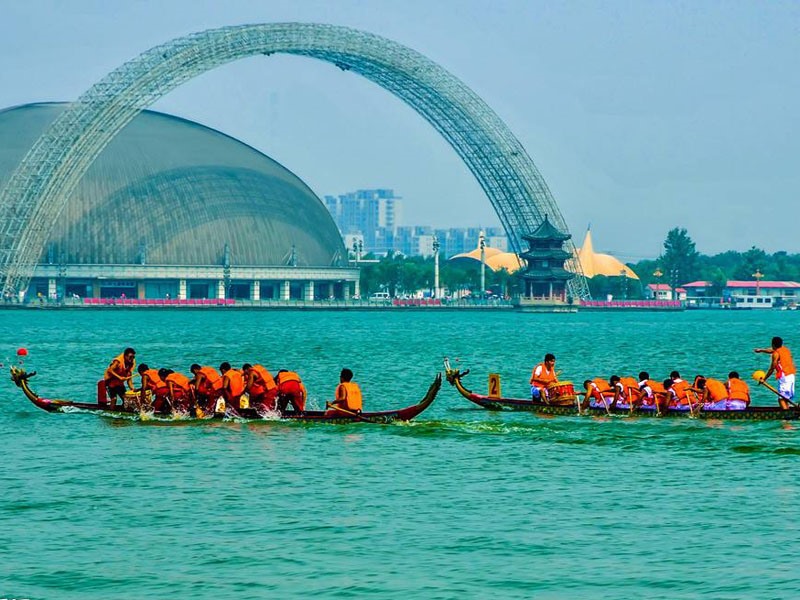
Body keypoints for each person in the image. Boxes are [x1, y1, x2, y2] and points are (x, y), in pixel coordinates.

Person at [755, 336, 796, 409]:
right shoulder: (785, 350)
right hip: (791, 375)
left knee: (781, 399)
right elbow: (771, 350)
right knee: (785, 398)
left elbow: (772, 369)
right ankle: (787, 412)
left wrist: (764, 379)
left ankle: (786, 417)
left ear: (773, 344)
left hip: (784, 376)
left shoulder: (776, 354)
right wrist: (761, 350)